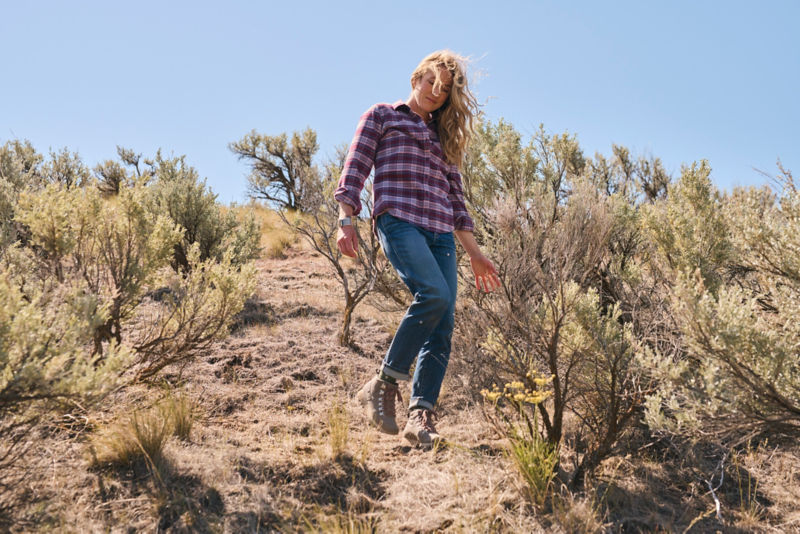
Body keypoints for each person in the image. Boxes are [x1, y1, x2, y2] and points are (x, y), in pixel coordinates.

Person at [334, 50, 500, 448]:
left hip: (442, 234)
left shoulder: (444, 141)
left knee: (442, 324)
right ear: (416, 77)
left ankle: (420, 415)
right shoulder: (383, 115)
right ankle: (385, 382)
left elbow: (456, 202)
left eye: (444, 92)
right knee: (435, 294)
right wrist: (345, 220)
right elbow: (355, 166)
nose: (435, 94)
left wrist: (475, 253)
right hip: (399, 220)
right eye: (431, 83)